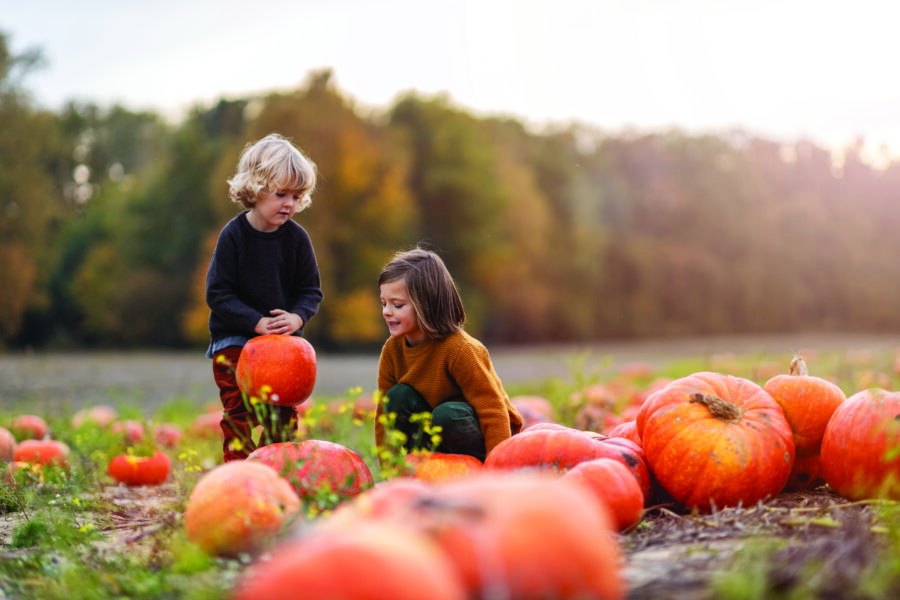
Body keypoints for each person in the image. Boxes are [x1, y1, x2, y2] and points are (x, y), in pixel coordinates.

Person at [206, 133, 323, 462]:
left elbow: (310, 290)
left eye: (297, 196)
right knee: (239, 410)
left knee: (281, 414)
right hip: (234, 341)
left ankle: (275, 468)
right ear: (255, 189)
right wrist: (254, 322)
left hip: (282, 347)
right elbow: (218, 293)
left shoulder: (297, 239)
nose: (289, 204)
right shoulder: (233, 236)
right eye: (281, 194)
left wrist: (297, 317)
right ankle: (239, 473)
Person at [374, 247, 523, 463]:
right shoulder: (392, 350)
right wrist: (390, 469)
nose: (387, 311)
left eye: (397, 305)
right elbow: (384, 415)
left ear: (426, 304)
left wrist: (498, 466)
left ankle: (478, 464)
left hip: (483, 435)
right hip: (439, 436)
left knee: (447, 415)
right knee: (397, 397)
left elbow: (493, 410)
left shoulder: (461, 349)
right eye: (384, 303)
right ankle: (425, 463)